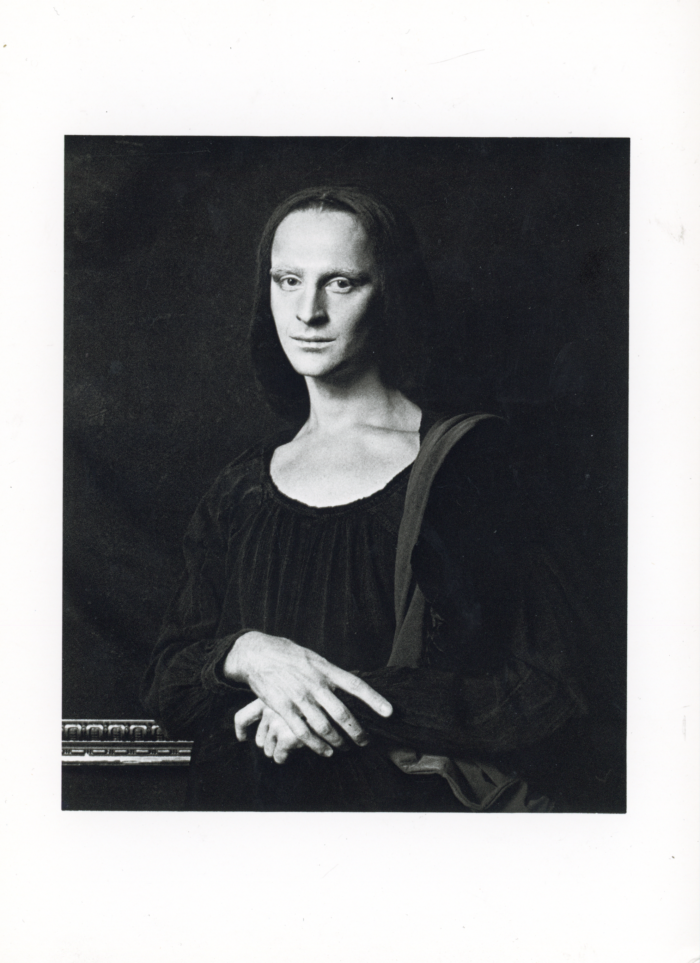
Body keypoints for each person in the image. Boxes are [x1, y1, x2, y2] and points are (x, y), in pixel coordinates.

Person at [141, 185, 620, 812]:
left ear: (390, 293)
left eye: (340, 283)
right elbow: (169, 682)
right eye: (288, 281)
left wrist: (331, 701)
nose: (307, 312)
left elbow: (546, 688)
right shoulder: (240, 487)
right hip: (249, 826)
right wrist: (250, 653)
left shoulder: (468, 466)